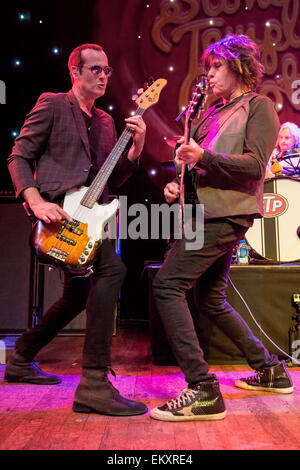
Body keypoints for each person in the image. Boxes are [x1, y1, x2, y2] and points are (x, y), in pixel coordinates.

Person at [150, 34, 293, 422]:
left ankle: (202, 389)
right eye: (208, 68)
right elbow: (197, 165)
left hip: (224, 214)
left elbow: (254, 165)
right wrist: (178, 182)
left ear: (239, 66)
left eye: (216, 66)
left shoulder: (258, 106)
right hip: (204, 211)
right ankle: (270, 370)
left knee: (166, 286)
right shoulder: (213, 113)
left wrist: (204, 156)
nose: (208, 75)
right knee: (210, 300)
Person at [6, 43, 148, 417]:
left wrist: (135, 150)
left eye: (108, 70)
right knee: (113, 269)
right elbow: (19, 156)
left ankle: (20, 357)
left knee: (76, 295)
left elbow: (109, 181)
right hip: (57, 219)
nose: (104, 75)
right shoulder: (53, 103)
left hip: (88, 224)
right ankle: (94, 384)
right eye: (96, 69)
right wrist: (35, 201)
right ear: (76, 72)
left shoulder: (105, 122)